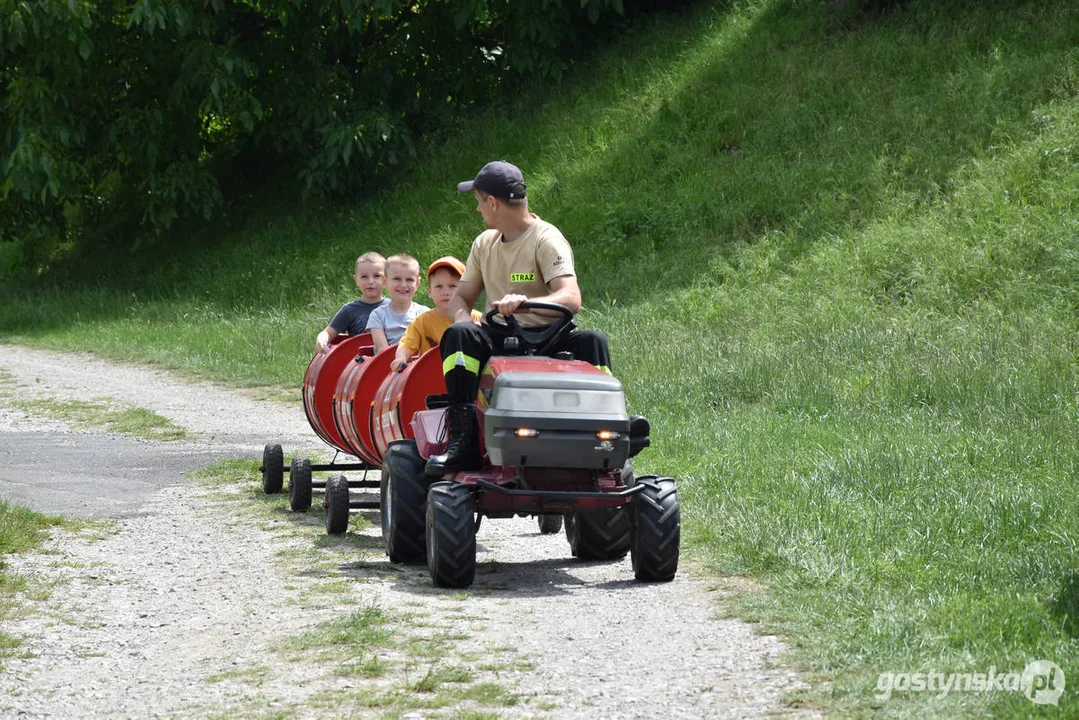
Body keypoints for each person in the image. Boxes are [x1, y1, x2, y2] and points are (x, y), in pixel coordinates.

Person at [427, 160, 613, 475]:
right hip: (498, 338)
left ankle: (604, 435)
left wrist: (526, 302)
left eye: (478, 202)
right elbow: (462, 298)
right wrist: (461, 317)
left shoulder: (546, 239)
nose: (477, 211)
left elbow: (571, 297)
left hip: (547, 339)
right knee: (459, 337)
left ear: (492, 202)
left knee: (592, 341)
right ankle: (463, 442)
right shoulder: (484, 244)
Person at [391, 256, 483, 373]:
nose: (445, 292)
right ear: (430, 291)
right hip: (431, 381)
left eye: (452, 286)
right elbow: (406, 345)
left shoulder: (476, 318)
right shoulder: (422, 322)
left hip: (468, 380)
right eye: (439, 287)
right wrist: (400, 358)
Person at [316, 252, 388, 353]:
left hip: (388, 359)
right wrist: (321, 340)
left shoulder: (393, 307)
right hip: (358, 363)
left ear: (386, 279)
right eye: (364, 277)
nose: (370, 281)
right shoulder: (350, 310)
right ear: (356, 280)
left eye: (376, 276)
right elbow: (328, 332)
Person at [365, 253, 429, 353]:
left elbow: (431, 348)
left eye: (409, 280)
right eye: (397, 279)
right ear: (385, 281)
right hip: (389, 365)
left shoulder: (424, 314)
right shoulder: (378, 316)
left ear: (417, 283)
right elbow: (383, 353)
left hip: (419, 365)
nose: (403, 285)